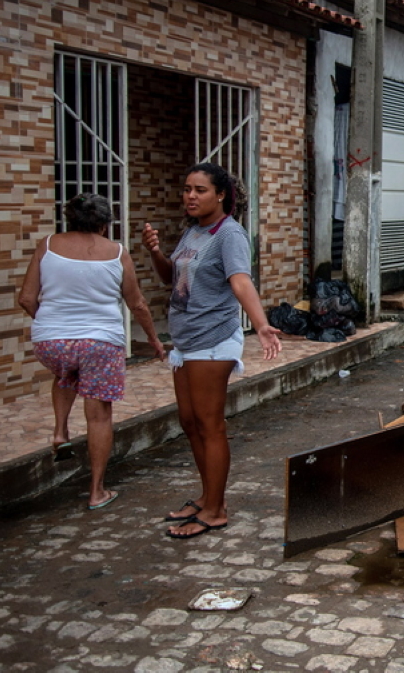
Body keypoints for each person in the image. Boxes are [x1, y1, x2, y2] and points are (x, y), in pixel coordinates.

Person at [142, 163, 282, 539]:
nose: (190, 196)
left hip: (213, 340)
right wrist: (155, 252)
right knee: (190, 423)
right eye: (187, 188)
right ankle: (207, 497)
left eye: (200, 190)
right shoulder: (193, 232)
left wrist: (262, 323)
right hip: (186, 340)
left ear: (220, 195)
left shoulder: (229, 234)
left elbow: (240, 281)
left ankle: (217, 510)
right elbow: (172, 277)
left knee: (210, 425)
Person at [18, 194, 165, 510]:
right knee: (99, 416)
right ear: (103, 223)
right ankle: (97, 491)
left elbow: (26, 299)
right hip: (100, 343)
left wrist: (51, 326)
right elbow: (136, 303)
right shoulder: (116, 253)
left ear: (69, 219)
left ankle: (60, 431)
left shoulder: (47, 245)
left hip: (50, 342)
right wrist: (154, 340)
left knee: (65, 371)